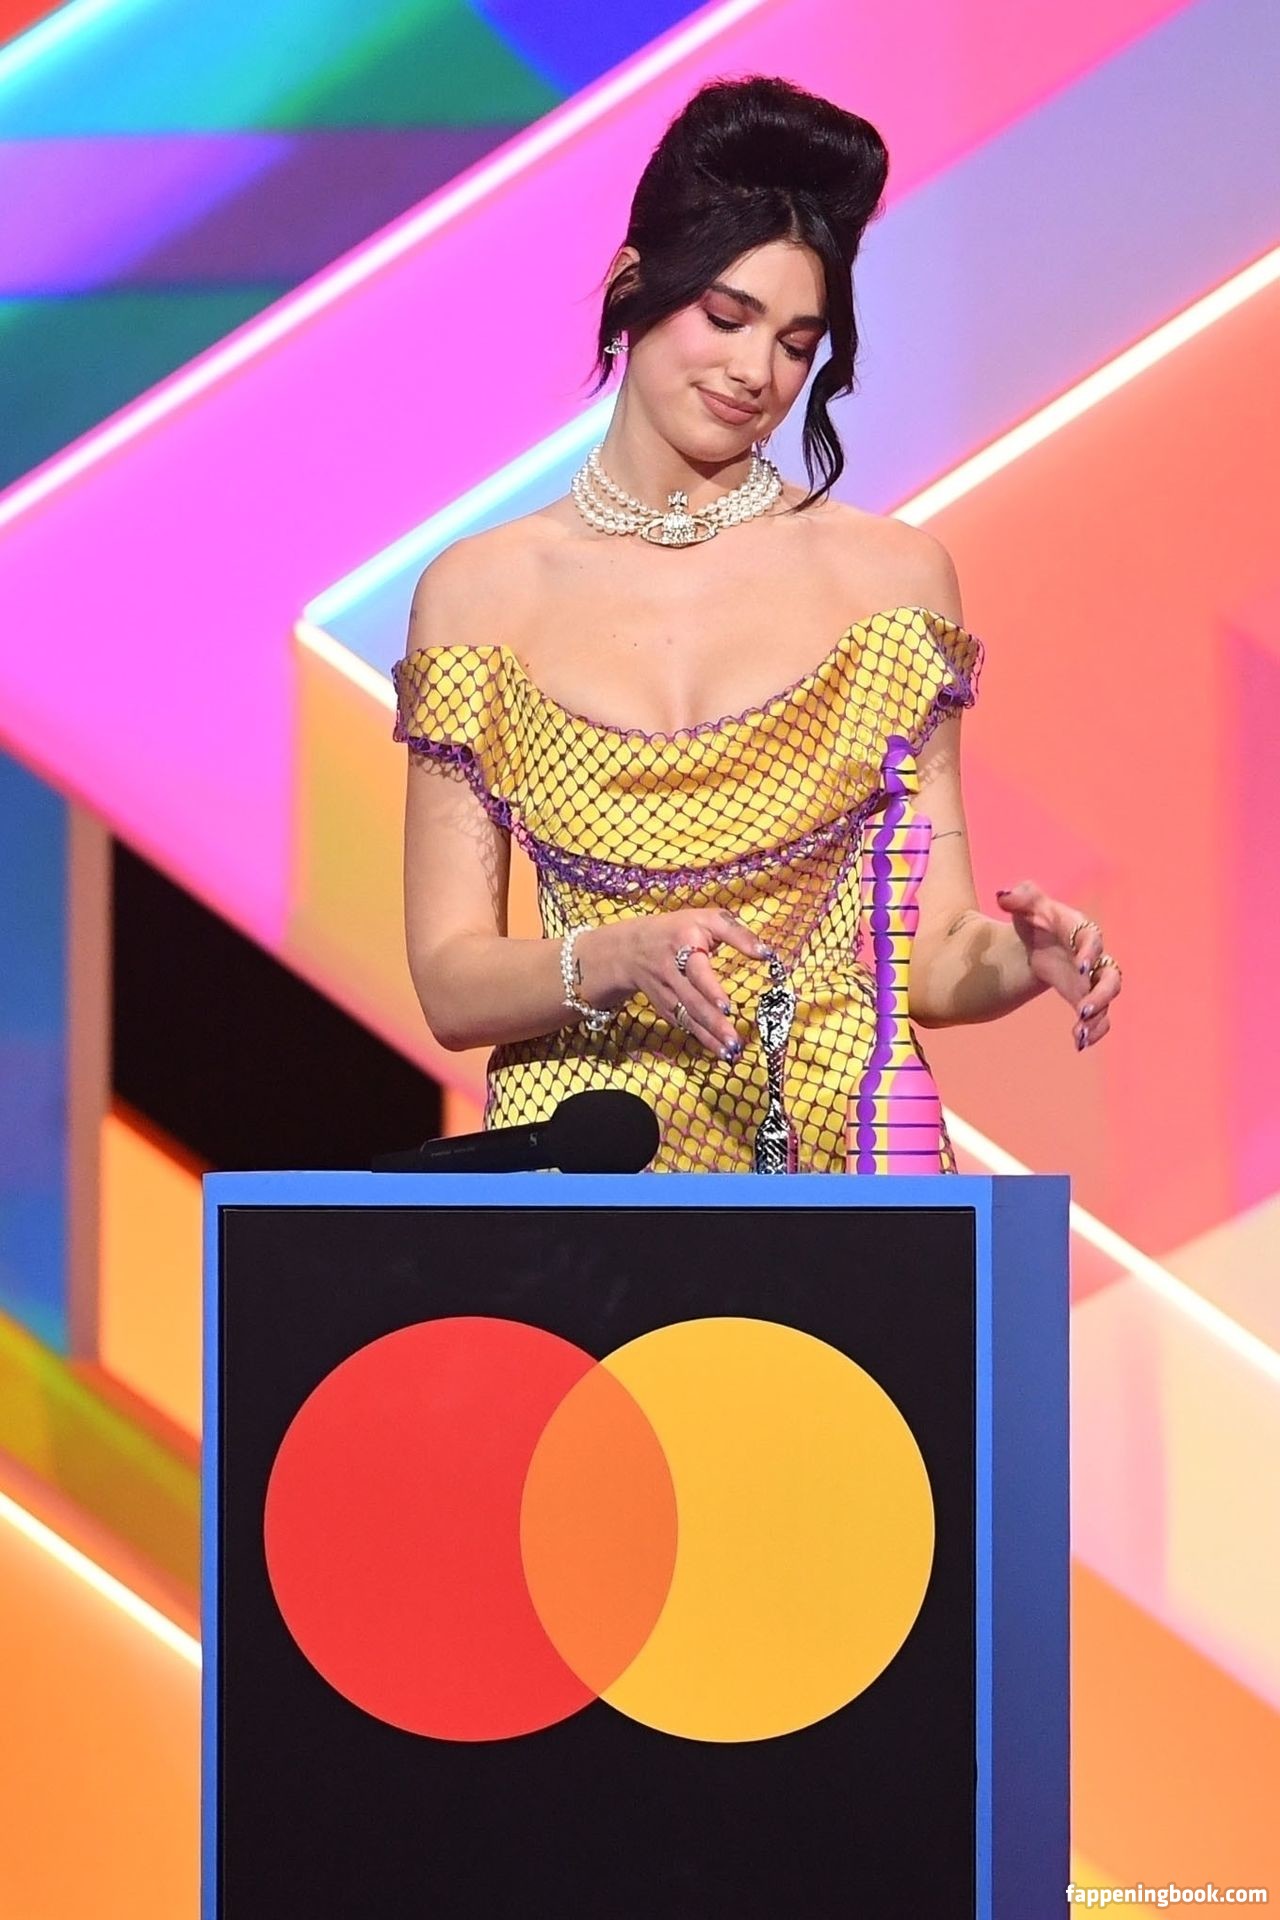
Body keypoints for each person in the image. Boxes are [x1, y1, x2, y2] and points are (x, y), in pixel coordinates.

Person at [391, 75, 1122, 1172]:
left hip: (838, 1161)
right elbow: (452, 984)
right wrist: (612, 957)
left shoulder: (890, 582)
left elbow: (927, 952)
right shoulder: (479, 595)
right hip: (590, 1167)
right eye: (726, 318)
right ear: (632, 286)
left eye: (793, 343)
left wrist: (1021, 963)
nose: (753, 372)